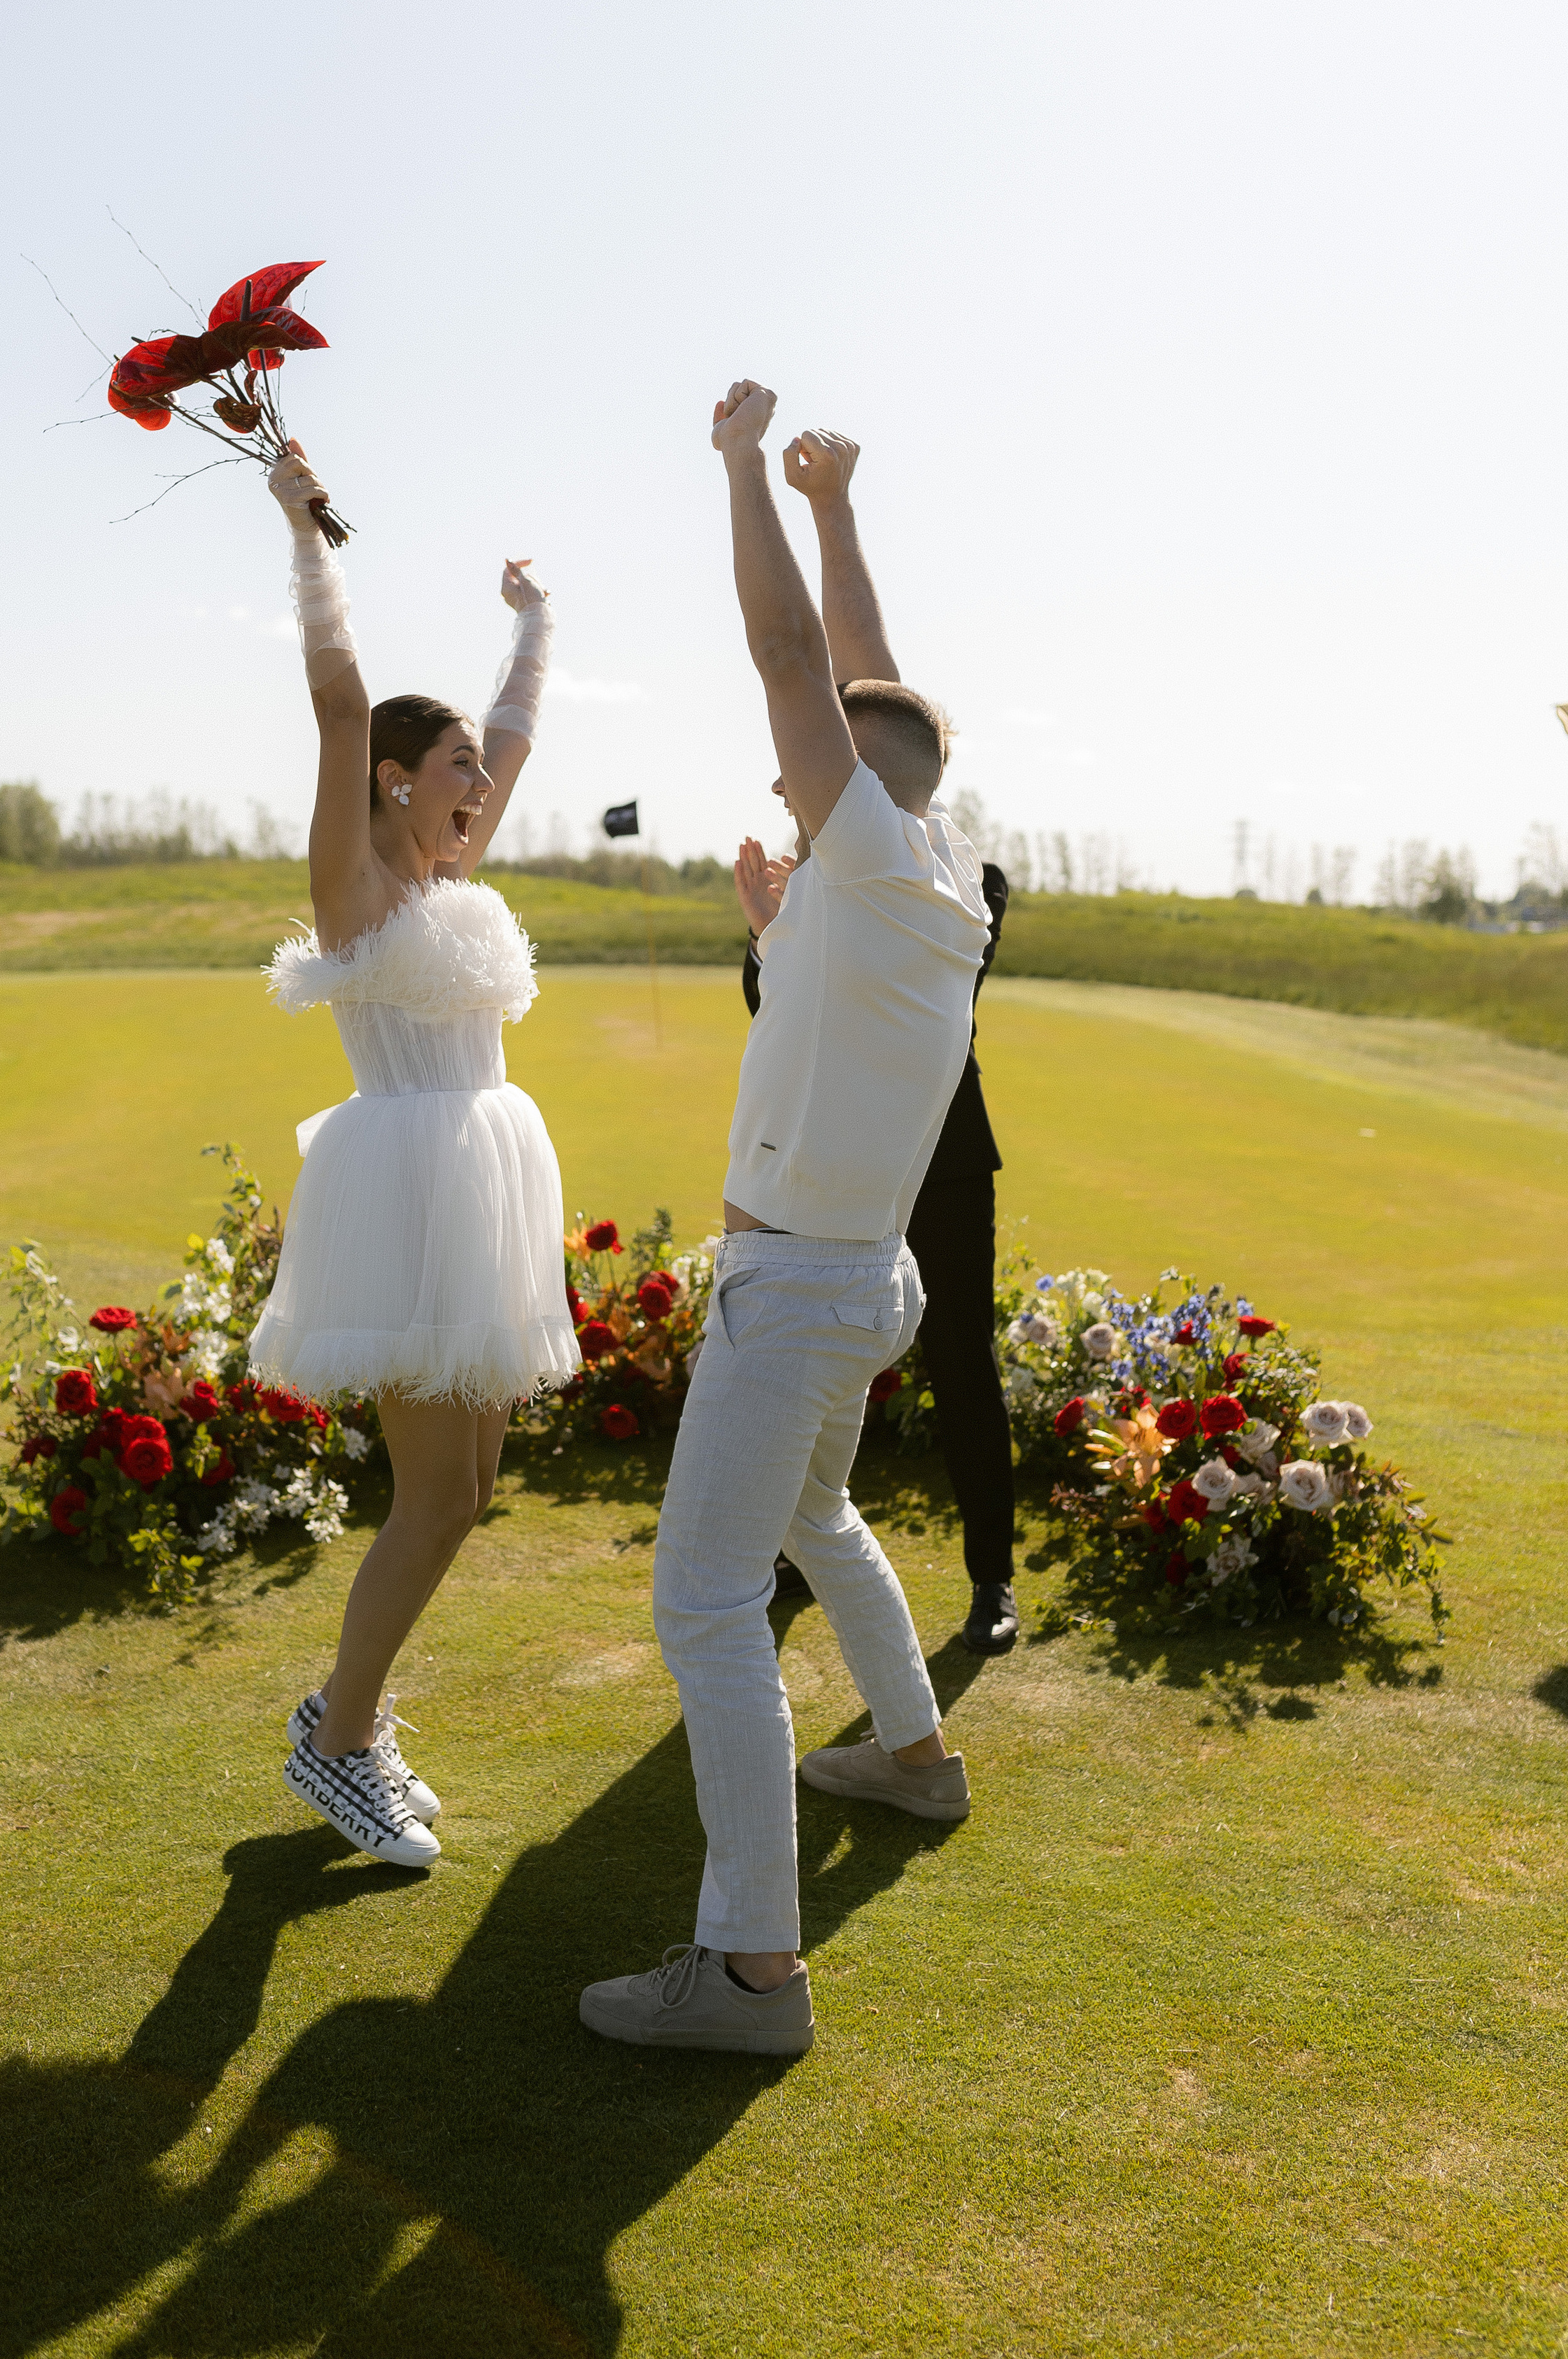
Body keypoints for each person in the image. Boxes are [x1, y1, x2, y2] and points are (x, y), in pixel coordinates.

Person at [581, 383, 991, 2056]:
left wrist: (745, 470)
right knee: (818, 1516)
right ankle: (909, 1753)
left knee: (701, 1605)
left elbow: (795, 669)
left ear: (857, 789)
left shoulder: (884, 853)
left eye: (810, 775)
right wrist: (838, 512)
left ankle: (750, 1968)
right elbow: (875, 690)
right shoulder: (927, 860)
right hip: (855, 1276)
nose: (788, 780)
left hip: (799, 1285)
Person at [251, 444, 578, 1869]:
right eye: (452, 773)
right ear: (391, 783)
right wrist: (303, 528)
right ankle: (334, 1743)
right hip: (406, 1188)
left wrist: (530, 622)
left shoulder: (440, 866)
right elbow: (334, 698)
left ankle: (352, 1715)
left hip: (484, 1174)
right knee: (429, 1492)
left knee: (461, 1494)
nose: (479, 789)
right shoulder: (358, 881)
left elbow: (511, 729)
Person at [736, 693, 1017, 1658]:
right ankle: (796, 1552)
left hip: (939, 1156)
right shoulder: (807, 878)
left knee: (960, 1361)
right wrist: (773, 925)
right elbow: (770, 1008)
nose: (790, 781)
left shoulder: (961, 877)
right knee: (815, 1366)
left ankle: (993, 1580)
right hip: (835, 1160)